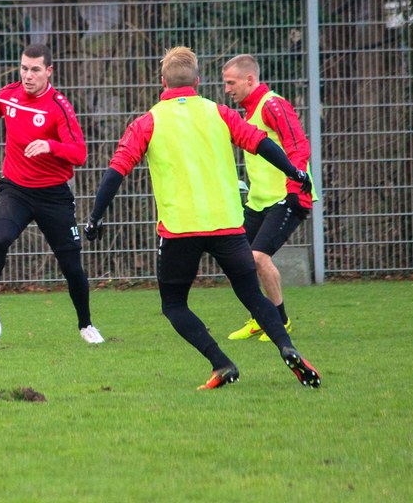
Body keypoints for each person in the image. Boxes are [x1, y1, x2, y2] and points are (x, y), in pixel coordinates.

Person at [84, 46, 320, 388]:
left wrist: (95, 217)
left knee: (174, 304)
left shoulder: (148, 122)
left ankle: (221, 363)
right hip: (227, 225)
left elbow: (116, 171)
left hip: (180, 230)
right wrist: (295, 172)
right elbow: (261, 144)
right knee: (252, 295)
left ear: (162, 82)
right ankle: (287, 347)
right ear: (197, 82)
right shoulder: (219, 113)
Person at [0, 43, 103, 344]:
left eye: (35, 70)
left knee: (71, 266)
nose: (28, 75)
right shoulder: (9, 94)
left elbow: (80, 154)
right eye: (24, 68)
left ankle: (86, 325)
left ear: (49, 71)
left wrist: (50, 145)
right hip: (15, 190)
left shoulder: (58, 107)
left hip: (54, 196)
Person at [221, 54, 316, 342]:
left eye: (231, 83)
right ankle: (261, 317)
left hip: (287, 196)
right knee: (237, 259)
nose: (227, 89)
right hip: (259, 201)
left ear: (250, 79)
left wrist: (295, 187)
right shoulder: (247, 113)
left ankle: (280, 321)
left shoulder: (273, 104)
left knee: (258, 257)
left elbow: (298, 145)